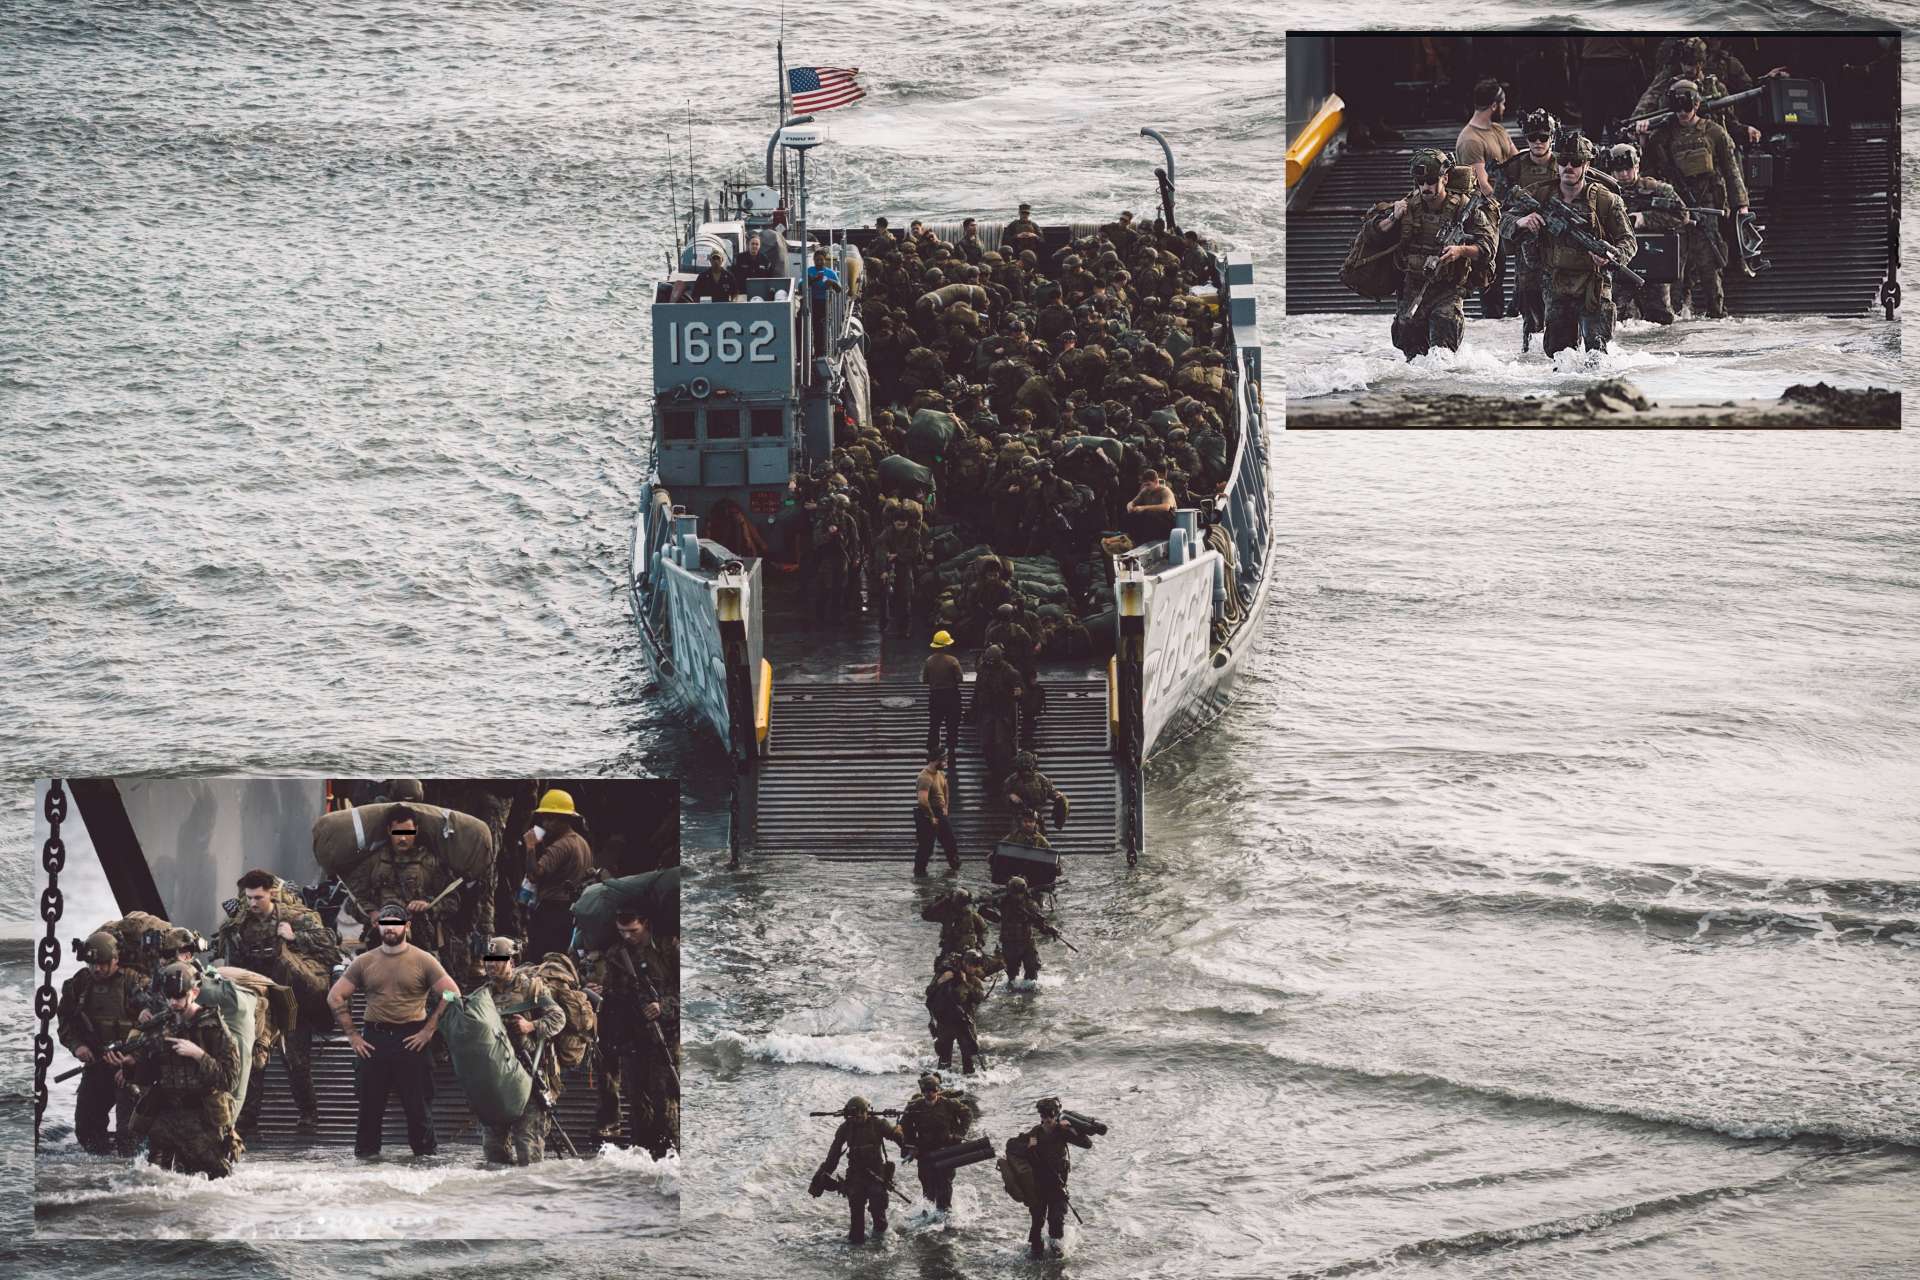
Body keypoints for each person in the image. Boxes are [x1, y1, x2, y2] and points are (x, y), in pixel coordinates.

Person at [327, 901, 459, 1159]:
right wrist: (353, 1036)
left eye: (395, 924)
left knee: (418, 1107)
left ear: (406, 926)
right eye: (385, 924)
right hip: (374, 1039)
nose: (390, 929)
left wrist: (429, 1029)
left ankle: (426, 1163)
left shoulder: (423, 960)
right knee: (369, 1108)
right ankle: (366, 1165)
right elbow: (335, 996)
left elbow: (452, 993)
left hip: (411, 1038)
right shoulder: (364, 962)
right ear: (377, 925)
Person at [215, 868, 334, 1136]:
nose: (253, 904)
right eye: (249, 898)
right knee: (255, 1059)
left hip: (291, 998)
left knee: (296, 1061)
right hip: (259, 1001)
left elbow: (330, 946)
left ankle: (308, 1115)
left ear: (270, 893)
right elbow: (227, 958)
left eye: (258, 897)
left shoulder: (294, 917)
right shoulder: (239, 923)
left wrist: (295, 937)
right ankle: (248, 1119)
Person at [1511, 131, 1635, 355]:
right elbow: (1502, 219)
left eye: (1576, 162)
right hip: (1556, 285)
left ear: (1587, 165)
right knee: (1560, 355)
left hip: (1593, 284)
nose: (1569, 167)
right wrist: (1521, 221)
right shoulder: (1540, 195)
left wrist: (1613, 255)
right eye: (1563, 161)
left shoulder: (1606, 200)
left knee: (1596, 353)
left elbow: (1628, 240)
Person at [1369, 148, 1496, 360]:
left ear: (1445, 178)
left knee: (1442, 353)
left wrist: (1461, 250)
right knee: (1413, 355)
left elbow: (1488, 247)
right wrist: (1393, 217)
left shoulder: (1464, 208)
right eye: (1421, 182)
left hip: (1447, 289)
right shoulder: (1407, 206)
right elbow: (1373, 235)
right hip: (1412, 288)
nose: (1425, 187)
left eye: (1431, 180)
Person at [123, 962, 244, 1179]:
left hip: (202, 1120)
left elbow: (230, 1079)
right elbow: (147, 1076)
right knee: (151, 1182)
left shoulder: (214, 1029)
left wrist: (199, 1055)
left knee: (218, 1180)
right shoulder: (160, 1026)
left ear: (195, 993)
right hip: (166, 1118)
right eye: (169, 997)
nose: (173, 1003)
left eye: (179, 997)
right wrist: (131, 1064)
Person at [1641, 79, 1748, 319]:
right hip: (1676, 208)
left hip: (1707, 206)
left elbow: (1731, 169)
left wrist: (1740, 204)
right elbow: (1645, 172)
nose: (1682, 113)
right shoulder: (1662, 137)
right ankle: (1679, 315)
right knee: (1676, 267)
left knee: (1709, 264)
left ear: (1697, 104)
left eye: (1687, 107)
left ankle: (1717, 313)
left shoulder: (1714, 132)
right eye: (1677, 108)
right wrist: (1641, 138)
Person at [599, 907, 679, 1157]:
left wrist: (663, 1006)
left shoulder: (668, 949)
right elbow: (611, 993)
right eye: (622, 932)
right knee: (636, 1101)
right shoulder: (616, 954)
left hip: (664, 1036)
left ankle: (672, 1155)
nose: (627, 937)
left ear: (645, 923)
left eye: (633, 931)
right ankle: (644, 1155)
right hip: (631, 1036)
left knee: (664, 1100)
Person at [478, 936, 566, 1165]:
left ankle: (530, 1196)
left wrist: (531, 1026)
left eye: (498, 959)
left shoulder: (531, 987)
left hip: (529, 1072)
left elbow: (558, 1017)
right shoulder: (482, 994)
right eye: (488, 959)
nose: (491, 964)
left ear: (512, 962)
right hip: (497, 1078)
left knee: (528, 1147)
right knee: (493, 1150)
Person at [55, 931, 143, 1156]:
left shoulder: (134, 983)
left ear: (116, 960)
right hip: (97, 1064)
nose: (97, 969)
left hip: (130, 1068)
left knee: (129, 1136)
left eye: (103, 964)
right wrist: (78, 1047)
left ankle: (130, 1174)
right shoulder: (80, 984)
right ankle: (103, 1168)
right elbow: (66, 1021)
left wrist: (133, 1061)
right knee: (86, 1130)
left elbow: (159, 1027)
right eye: (92, 963)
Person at [353, 807, 463, 969]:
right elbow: (353, 898)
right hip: (381, 938)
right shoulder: (374, 862)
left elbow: (453, 900)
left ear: (416, 830)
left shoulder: (430, 863)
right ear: (389, 831)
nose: (403, 838)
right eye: (397, 833)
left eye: (408, 832)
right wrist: (371, 913)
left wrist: (429, 906)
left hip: (421, 939)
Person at [1494, 110, 1563, 347]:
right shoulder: (1513, 169)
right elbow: (1497, 212)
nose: (1537, 142)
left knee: (1562, 310)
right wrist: (1520, 221)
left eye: (1543, 137)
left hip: (1562, 246)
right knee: (1531, 310)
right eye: (1532, 137)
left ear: (1553, 137)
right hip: (1527, 251)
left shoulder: (1567, 164)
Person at [1453, 77, 1517, 319]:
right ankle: (1493, 320)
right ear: (1493, 105)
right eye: (1502, 104)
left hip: (1505, 211)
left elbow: (1516, 159)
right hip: (1485, 215)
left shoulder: (1498, 130)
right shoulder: (1470, 140)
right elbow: (1483, 185)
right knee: (1493, 270)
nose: (1504, 108)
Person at [1605, 141, 1686, 324]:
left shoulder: (1658, 190)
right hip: (1620, 262)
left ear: (1637, 166)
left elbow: (1682, 215)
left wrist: (1645, 218)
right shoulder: (1604, 193)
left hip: (1653, 260)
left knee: (1660, 318)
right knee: (1616, 318)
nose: (1624, 175)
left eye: (1628, 169)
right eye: (1619, 170)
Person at [818, 1096, 908, 1245]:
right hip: (855, 1174)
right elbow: (834, 1154)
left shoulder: (878, 1124)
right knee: (856, 1214)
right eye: (852, 1115)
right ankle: (856, 1244)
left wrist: (904, 1142)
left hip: (877, 1173)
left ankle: (881, 1241)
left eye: (859, 1114)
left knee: (878, 1207)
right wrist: (824, 1173)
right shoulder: (845, 1128)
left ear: (866, 1112)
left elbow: (895, 1136)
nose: (856, 1118)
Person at [522, 788, 594, 964]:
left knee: (540, 960)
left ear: (564, 820)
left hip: (552, 912)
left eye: (550, 818)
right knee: (559, 960)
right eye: (545, 818)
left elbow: (533, 875)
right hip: (569, 912)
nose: (545, 823)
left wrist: (530, 847)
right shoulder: (580, 842)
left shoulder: (561, 846)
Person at [1023, 1097, 1093, 1258]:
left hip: (1057, 1185)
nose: (1046, 1119)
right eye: (1043, 1115)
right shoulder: (1034, 1132)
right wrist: (1029, 1148)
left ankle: (1055, 1246)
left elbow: (1087, 1144)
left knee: (1056, 1219)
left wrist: (1072, 1128)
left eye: (1050, 1115)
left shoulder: (1063, 1132)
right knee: (1037, 1220)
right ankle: (1036, 1247)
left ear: (1056, 1115)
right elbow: (1016, 1152)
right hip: (1039, 1184)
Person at [900, 1072, 972, 1210]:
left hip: (946, 1150)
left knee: (945, 1185)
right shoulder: (915, 1107)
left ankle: (945, 1215)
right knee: (928, 1188)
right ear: (922, 1092)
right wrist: (912, 1145)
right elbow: (906, 1126)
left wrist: (959, 1134)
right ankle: (929, 1218)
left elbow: (967, 1114)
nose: (929, 1094)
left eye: (932, 1090)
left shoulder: (949, 1104)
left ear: (937, 1090)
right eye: (926, 1091)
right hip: (925, 1152)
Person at [972, 644, 1025, 783]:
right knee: (986, 743)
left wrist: (1018, 692)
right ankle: (993, 770)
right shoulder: (983, 670)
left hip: (1003, 712)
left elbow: (1020, 690)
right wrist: (973, 709)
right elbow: (977, 691)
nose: (989, 663)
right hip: (986, 711)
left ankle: (1005, 773)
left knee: (1003, 744)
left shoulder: (1010, 672)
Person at [925, 951, 984, 1075]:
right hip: (945, 1023)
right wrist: (940, 980)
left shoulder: (973, 980)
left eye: (975, 966)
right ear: (964, 963)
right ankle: (941, 1086)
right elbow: (929, 992)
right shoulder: (946, 975)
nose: (974, 968)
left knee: (969, 1062)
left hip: (964, 1023)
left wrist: (965, 983)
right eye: (971, 965)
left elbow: (979, 998)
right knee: (944, 1062)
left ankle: (969, 1087)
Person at [997, 875, 1056, 984]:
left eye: (1019, 894)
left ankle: (1030, 992)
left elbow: (1039, 922)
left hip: (1026, 941)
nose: (1017, 897)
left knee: (1032, 971)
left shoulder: (1030, 904)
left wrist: (1049, 929)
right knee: (1011, 974)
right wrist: (999, 918)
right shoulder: (1002, 902)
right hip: (1009, 942)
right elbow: (983, 910)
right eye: (1015, 894)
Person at [914, 751, 960, 876]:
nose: (945, 763)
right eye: (943, 760)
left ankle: (955, 868)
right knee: (926, 847)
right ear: (936, 760)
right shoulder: (925, 777)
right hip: (926, 813)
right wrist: (931, 816)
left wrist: (945, 807)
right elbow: (922, 801)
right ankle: (919, 873)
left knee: (950, 842)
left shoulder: (940, 773)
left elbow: (946, 789)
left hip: (939, 812)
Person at [922, 629, 963, 764]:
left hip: (935, 696)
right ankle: (951, 748)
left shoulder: (929, 661)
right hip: (951, 696)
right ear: (945, 646)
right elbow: (960, 679)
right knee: (952, 724)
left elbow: (925, 680)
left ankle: (933, 748)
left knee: (935, 723)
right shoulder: (953, 661)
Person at [1003, 750, 1070, 832]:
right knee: (1017, 840)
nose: (1026, 772)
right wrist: (1010, 796)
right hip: (1019, 817)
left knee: (1038, 840)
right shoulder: (1012, 780)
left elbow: (1050, 791)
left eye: (1028, 768)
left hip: (1036, 816)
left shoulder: (1039, 778)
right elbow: (1003, 795)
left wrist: (1057, 795)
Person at [807, 248, 844, 360]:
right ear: (813, 260)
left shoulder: (830, 273)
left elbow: (839, 289)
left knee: (821, 327)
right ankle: (807, 352)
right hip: (811, 302)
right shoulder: (809, 271)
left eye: (821, 260)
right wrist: (813, 280)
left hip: (825, 303)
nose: (819, 262)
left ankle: (821, 352)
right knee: (811, 326)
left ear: (825, 260)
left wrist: (832, 282)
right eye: (817, 260)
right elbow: (801, 286)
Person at [1124, 467, 1177, 543]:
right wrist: (1129, 506)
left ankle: (1144, 540)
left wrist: (1143, 508)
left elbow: (1166, 507)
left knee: (1150, 516)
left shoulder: (1165, 491)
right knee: (1129, 516)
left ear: (1156, 482)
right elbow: (1132, 502)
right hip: (1153, 521)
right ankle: (1133, 539)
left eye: (1148, 484)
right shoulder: (1145, 491)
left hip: (1168, 522)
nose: (1146, 487)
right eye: (1145, 485)